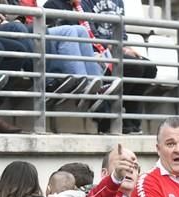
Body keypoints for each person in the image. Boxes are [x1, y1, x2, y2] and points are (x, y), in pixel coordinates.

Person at [44, 0, 157, 134]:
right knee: (133, 67)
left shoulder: (80, 7)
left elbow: (97, 34)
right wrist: (110, 47)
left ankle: (131, 121)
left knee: (149, 68)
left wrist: (123, 47)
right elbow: (58, 42)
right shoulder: (54, 5)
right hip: (89, 54)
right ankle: (107, 119)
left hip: (99, 50)